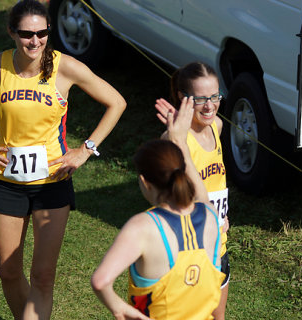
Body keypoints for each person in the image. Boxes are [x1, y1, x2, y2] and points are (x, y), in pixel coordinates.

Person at [0, 1, 126, 319]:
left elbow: (116, 102)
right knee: (8, 273)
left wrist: (86, 149)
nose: (35, 41)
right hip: (8, 184)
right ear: (12, 32)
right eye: (26, 34)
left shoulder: (66, 67)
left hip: (52, 183)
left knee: (43, 277)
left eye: (42, 32)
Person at [91, 96, 225, 320]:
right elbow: (201, 193)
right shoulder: (210, 215)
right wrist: (180, 141)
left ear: (145, 182)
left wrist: (120, 309)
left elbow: (100, 281)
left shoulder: (143, 226)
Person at [155, 62, 230, 320]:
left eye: (214, 97)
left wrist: (220, 219)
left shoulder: (216, 127)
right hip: (189, 252)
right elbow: (162, 198)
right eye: (200, 99)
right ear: (183, 98)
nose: (209, 106)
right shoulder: (174, 141)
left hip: (218, 246)